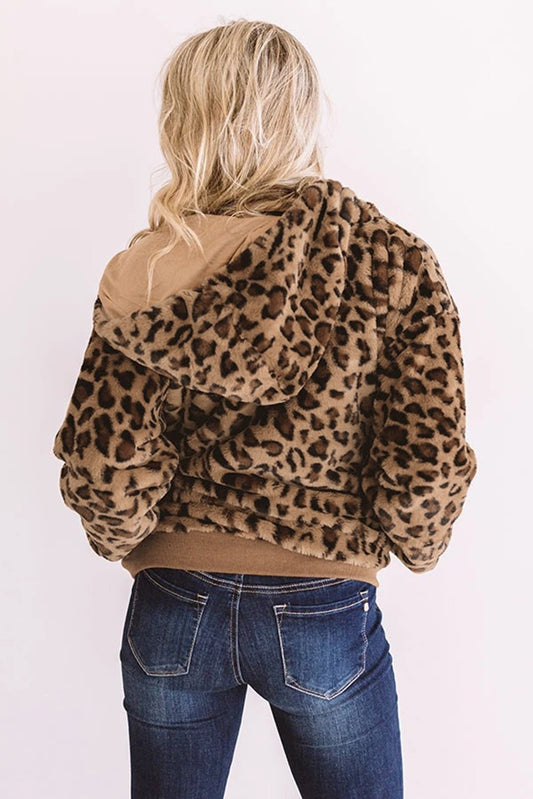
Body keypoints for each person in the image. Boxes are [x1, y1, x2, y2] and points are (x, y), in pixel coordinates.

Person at [52, 18, 478, 799]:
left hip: (174, 602)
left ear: (185, 122)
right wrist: (414, 546)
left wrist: (130, 540)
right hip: (325, 603)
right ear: (301, 115)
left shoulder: (147, 270)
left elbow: (105, 457)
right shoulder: (391, 261)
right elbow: (425, 458)